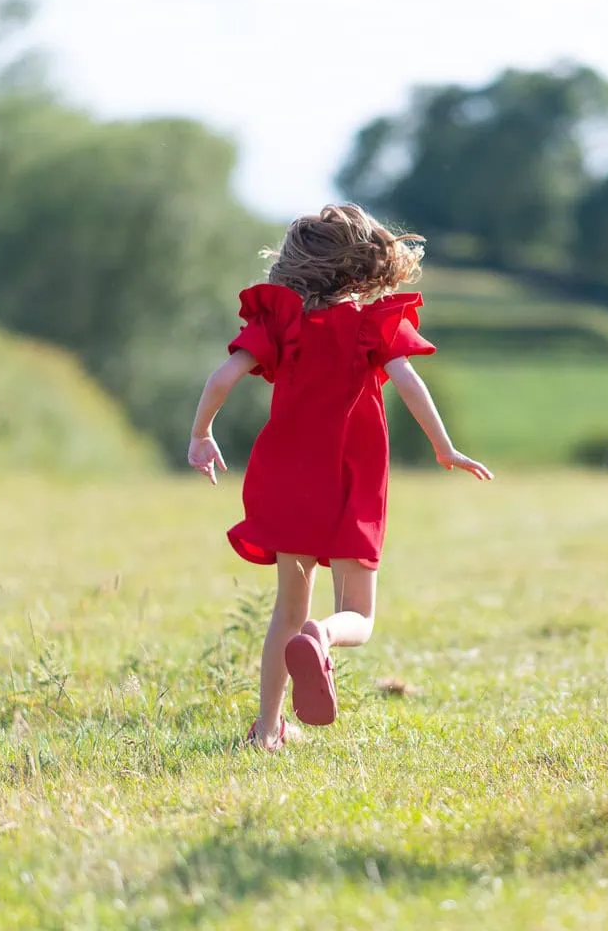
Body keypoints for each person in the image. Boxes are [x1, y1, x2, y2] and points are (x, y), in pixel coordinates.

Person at [187, 204, 492, 751]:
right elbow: (410, 382)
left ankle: (268, 729)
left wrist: (201, 433)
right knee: (359, 615)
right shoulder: (373, 324)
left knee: (287, 609)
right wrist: (444, 447)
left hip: (288, 479)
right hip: (351, 481)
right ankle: (324, 636)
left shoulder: (279, 324)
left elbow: (223, 375)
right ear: (364, 265)